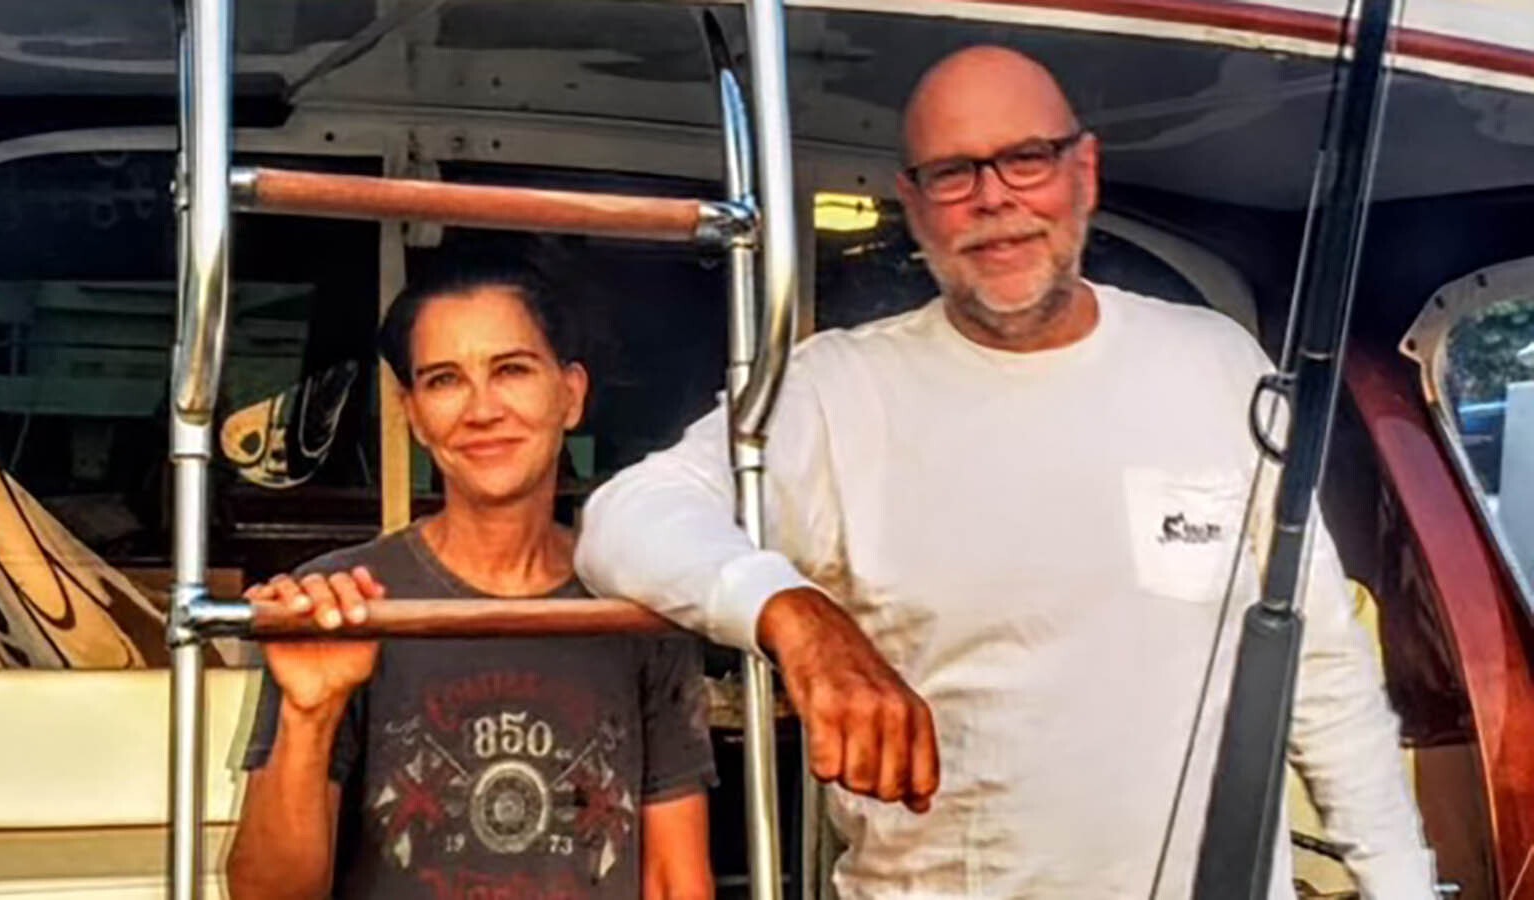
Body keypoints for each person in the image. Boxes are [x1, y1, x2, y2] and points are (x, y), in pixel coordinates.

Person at [573, 46, 1434, 898]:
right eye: (953, 173)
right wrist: (792, 612)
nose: (995, 199)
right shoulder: (840, 391)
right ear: (912, 203)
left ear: (1084, 172)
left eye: (1026, 159)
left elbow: (1324, 670)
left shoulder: (1216, 365)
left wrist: (1397, 883)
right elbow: (627, 517)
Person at [226, 256, 717, 900]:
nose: (482, 409)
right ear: (414, 415)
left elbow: (674, 879)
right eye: (444, 380)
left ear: (570, 394)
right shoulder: (343, 600)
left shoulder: (636, 604)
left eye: (511, 369)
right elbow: (267, 897)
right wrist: (309, 712)